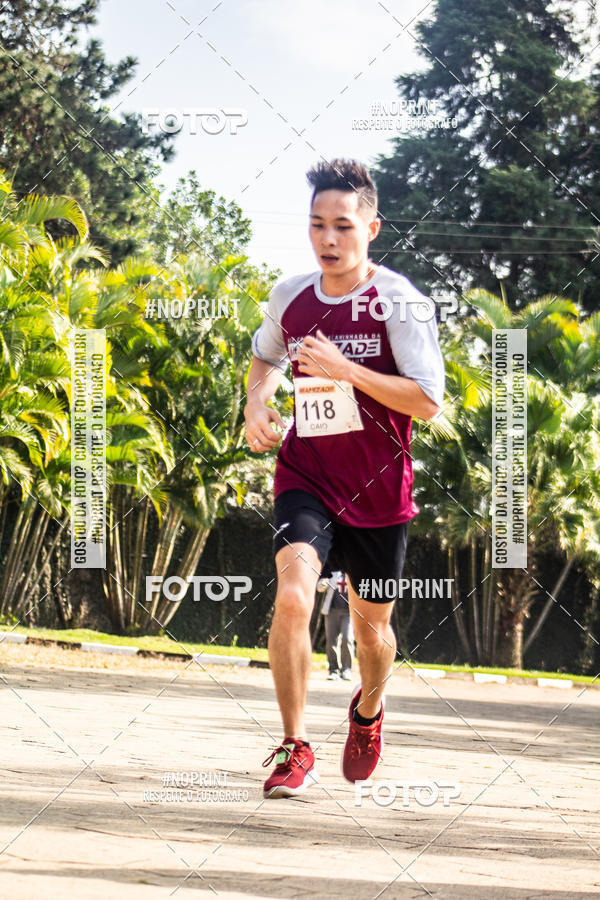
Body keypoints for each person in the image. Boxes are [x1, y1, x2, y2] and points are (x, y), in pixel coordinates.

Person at [245, 158, 445, 799]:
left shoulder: (400, 304)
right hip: (306, 474)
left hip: (380, 492)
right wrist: (256, 401)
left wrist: (346, 368)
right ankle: (293, 745)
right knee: (294, 597)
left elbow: (427, 402)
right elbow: (264, 358)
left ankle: (368, 711)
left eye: (342, 226)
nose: (328, 240)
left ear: (372, 228)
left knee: (372, 632)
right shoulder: (292, 297)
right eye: (315, 226)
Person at [317, 571, 353, 680]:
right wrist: (323, 583)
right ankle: (333, 670)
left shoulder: (354, 570)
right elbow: (319, 588)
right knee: (331, 641)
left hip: (349, 612)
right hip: (331, 611)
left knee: (347, 638)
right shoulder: (331, 571)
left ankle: (346, 669)